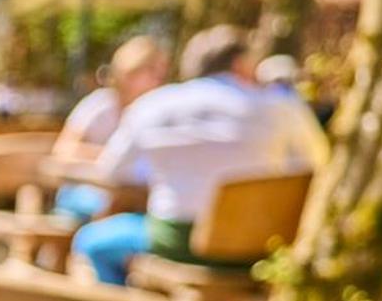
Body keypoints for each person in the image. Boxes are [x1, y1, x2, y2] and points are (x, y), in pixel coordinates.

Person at [69, 25, 329, 286]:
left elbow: (112, 171)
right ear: (240, 64)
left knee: (91, 241)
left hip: (175, 241)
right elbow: (320, 165)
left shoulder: (153, 106)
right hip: (263, 246)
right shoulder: (283, 108)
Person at [50, 36, 170, 221]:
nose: (158, 80)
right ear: (129, 72)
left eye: (161, 74)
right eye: (151, 72)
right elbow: (63, 149)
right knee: (111, 209)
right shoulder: (101, 104)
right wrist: (113, 155)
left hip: (131, 196)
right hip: (84, 190)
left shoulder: (156, 112)